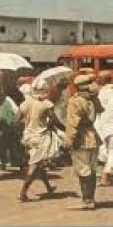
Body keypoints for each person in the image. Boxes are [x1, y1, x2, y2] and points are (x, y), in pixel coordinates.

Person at [15, 80, 65, 202]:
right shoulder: (46, 104)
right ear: (44, 90)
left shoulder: (25, 103)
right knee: (34, 165)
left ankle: (48, 187)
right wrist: (66, 129)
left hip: (28, 137)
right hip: (40, 137)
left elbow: (16, 120)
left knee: (39, 163)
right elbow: (55, 120)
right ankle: (23, 193)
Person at [64, 75, 103, 210]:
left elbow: (73, 122)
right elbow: (99, 111)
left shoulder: (75, 101)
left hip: (81, 138)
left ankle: (86, 200)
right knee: (92, 170)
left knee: (83, 170)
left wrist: (69, 139)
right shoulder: (93, 99)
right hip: (93, 137)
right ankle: (91, 199)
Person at [95, 72, 113, 186]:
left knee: (108, 150)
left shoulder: (102, 92)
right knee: (111, 151)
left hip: (103, 126)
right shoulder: (108, 91)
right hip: (110, 125)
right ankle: (105, 175)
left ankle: (105, 175)